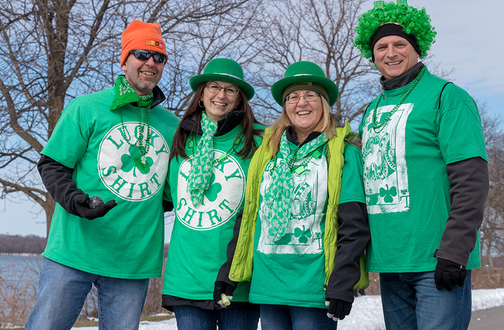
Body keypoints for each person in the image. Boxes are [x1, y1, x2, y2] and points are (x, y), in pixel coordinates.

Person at [26, 20, 179, 330]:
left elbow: (170, 191)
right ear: (124, 60)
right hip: (75, 249)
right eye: (141, 54)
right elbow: (52, 164)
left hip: (132, 259)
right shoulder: (87, 108)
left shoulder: (172, 125)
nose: (150, 63)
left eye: (158, 57)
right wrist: (76, 200)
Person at [353, 1, 489, 329]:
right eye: (381, 46)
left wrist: (455, 251)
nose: (390, 53)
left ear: (417, 48)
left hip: (437, 260)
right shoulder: (370, 111)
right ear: (372, 55)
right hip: (390, 261)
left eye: (400, 44)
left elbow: (471, 180)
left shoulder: (447, 97)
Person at [215, 61, 370, 330]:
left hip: (312, 286)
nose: (301, 103)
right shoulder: (267, 151)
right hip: (268, 281)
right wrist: (229, 272)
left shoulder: (343, 153)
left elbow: (353, 224)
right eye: (293, 97)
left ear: (323, 102)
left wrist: (343, 282)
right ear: (285, 106)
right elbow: (250, 216)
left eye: (310, 94)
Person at [161, 58, 263, 330]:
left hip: (237, 277)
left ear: (240, 99)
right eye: (214, 87)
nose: (221, 95)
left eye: (230, 90)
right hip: (187, 277)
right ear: (202, 94)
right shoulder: (181, 139)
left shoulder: (259, 141)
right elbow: (163, 198)